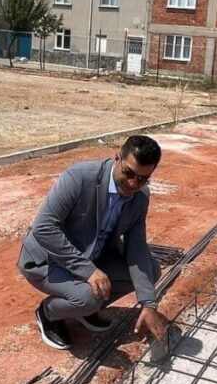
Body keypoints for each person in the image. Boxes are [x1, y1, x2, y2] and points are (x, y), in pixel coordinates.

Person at [19, 135, 171, 350]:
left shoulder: (140, 197)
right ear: (117, 158)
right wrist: (88, 271)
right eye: (128, 173)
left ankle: (85, 311)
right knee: (88, 297)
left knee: (152, 270)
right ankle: (49, 313)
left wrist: (148, 302)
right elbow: (44, 228)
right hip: (48, 260)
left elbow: (136, 246)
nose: (132, 184)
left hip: (91, 255)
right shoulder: (80, 177)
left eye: (143, 179)